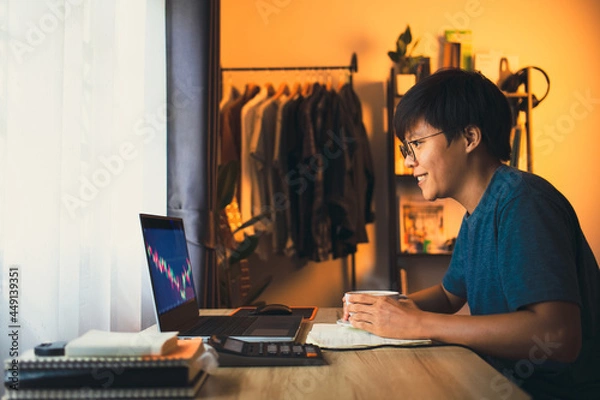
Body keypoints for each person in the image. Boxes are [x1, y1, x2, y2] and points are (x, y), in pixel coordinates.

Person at [343, 69, 600, 399]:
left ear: (469, 138)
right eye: (406, 149)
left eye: (417, 144)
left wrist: (417, 324)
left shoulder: (523, 203)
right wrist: (381, 310)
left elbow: (557, 334)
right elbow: (450, 296)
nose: (409, 161)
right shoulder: (477, 212)